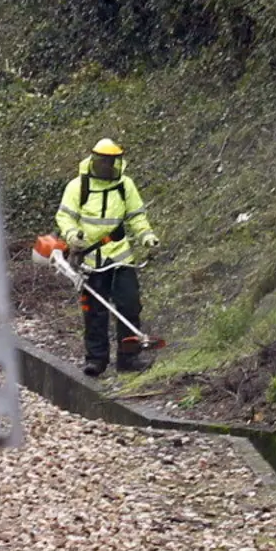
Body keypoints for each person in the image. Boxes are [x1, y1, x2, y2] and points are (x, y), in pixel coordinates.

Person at [55, 138, 158, 377]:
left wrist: (146, 236)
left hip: (120, 256)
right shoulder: (78, 186)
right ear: (94, 159)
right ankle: (96, 360)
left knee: (129, 304)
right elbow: (65, 216)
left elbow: (136, 216)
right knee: (94, 311)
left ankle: (128, 358)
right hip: (91, 259)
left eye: (111, 161)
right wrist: (72, 235)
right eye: (103, 160)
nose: (107, 165)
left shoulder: (125, 185)